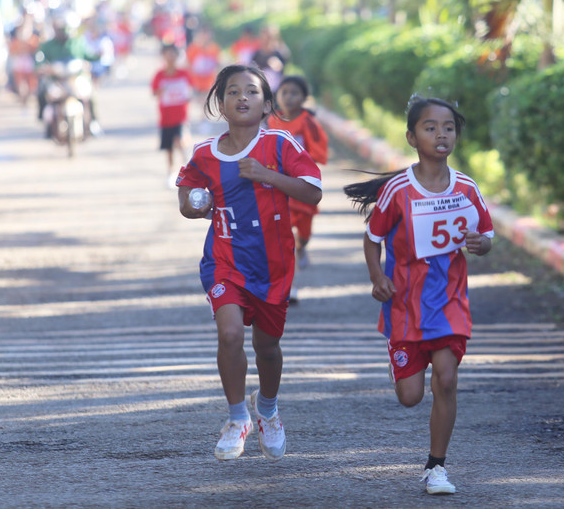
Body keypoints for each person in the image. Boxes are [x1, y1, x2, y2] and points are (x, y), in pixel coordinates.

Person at [343, 94, 494, 495]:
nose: (441, 134)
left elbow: (486, 235)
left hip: (448, 303)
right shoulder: (397, 191)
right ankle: (400, 362)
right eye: (430, 127)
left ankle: (436, 467)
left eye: (448, 128)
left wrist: (481, 244)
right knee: (410, 396)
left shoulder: (465, 186)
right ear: (412, 137)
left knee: (446, 381)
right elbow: (372, 239)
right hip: (405, 305)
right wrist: (378, 278)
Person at [176, 64, 322, 462]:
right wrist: (194, 204)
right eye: (232, 91)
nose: (242, 97)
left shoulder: (280, 145)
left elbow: (312, 193)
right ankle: (237, 417)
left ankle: (268, 410)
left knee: (268, 348)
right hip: (223, 261)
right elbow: (187, 195)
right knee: (230, 335)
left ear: (267, 104)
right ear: (220, 104)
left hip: (272, 267)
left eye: (252, 91)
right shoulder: (206, 153)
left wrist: (266, 175)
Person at [266, 75, 328, 302]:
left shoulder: (308, 122)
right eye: (285, 93)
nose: (289, 97)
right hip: (280, 188)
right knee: (283, 240)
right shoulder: (272, 121)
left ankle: (303, 246)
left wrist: (302, 163)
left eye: (295, 93)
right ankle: (287, 287)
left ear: (303, 97)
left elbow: (319, 150)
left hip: (303, 186)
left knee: (303, 234)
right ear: (277, 96)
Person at [151, 43, 193, 188]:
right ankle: (171, 172)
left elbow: (190, 90)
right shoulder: (159, 75)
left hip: (181, 115)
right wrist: (161, 91)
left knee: (180, 140)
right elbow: (154, 93)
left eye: (173, 54)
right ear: (163, 56)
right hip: (165, 117)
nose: (170, 57)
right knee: (169, 147)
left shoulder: (183, 73)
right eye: (167, 54)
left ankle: (189, 170)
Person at [250, 25, 290, 91]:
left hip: (278, 90)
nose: (266, 41)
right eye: (264, 38)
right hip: (261, 89)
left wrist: (279, 66)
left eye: (269, 38)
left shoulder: (281, 52)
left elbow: (284, 68)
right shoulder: (257, 54)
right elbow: (252, 70)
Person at [186, 26, 222, 98]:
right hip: (196, 83)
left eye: (207, 34)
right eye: (203, 34)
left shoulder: (215, 48)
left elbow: (217, 65)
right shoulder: (193, 48)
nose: (205, 37)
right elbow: (188, 65)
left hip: (210, 83)